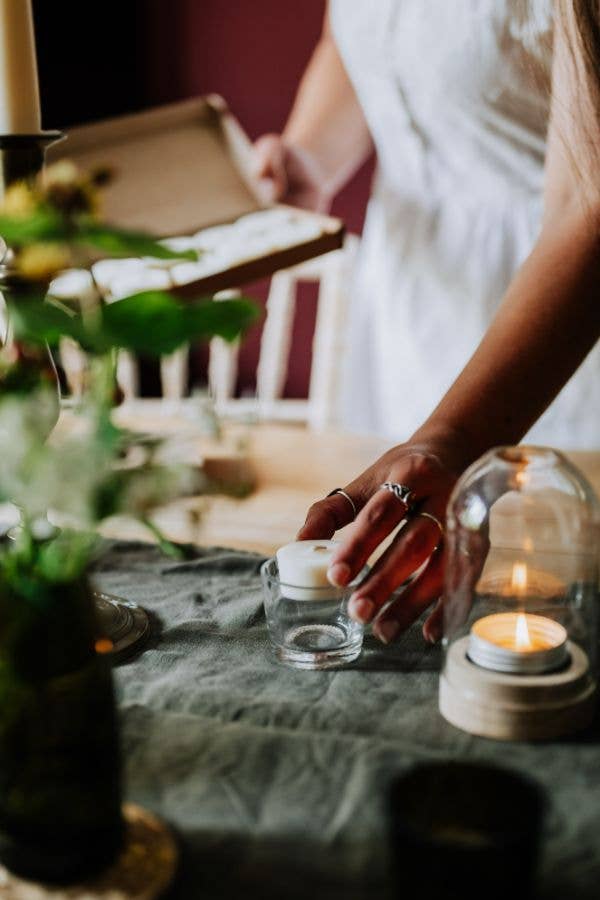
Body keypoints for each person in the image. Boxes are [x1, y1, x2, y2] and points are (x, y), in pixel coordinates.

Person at [254, 2, 600, 645]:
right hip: (408, 309)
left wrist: (451, 440)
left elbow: (591, 194)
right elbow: (358, 33)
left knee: (555, 608)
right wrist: (310, 157)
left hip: (556, 327)